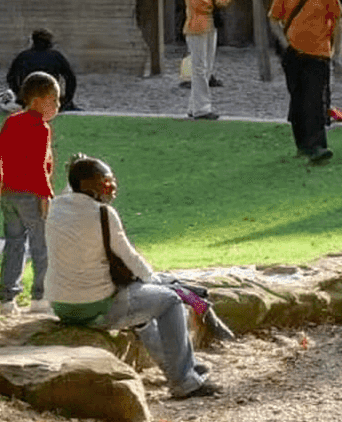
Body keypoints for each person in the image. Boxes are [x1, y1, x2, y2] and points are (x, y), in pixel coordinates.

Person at [45, 154, 216, 399]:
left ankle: (178, 367)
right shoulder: (103, 214)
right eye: (106, 181)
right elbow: (131, 258)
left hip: (62, 306)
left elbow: (72, 191)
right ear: (88, 186)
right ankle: (184, 382)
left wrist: (75, 169)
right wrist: (158, 282)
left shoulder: (54, 207)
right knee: (169, 300)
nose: (113, 187)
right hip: (96, 309)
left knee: (142, 311)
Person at [0, 71, 61, 316]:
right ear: (38, 101)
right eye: (54, 100)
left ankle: (8, 298)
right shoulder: (41, 128)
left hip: (9, 194)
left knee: (14, 245)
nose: (57, 106)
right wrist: (46, 195)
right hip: (32, 195)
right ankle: (40, 296)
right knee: (42, 246)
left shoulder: (12, 121)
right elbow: (39, 165)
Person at [268, 0, 342, 165]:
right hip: (293, 54)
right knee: (298, 99)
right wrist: (284, 43)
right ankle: (302, 144)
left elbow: (338, 19)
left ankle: (318, 147)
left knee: (315, 100)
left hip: (319, 53)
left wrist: (337, 49)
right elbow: (274, 18)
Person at [181, 0, 230, 120]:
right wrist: (215, 0)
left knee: (207, 67)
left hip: (211, 25)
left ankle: (194, 106)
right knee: (199, 68)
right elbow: (198, 3)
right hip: (197, 26)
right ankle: (202, 108)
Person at [5, 28, 79, 112]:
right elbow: (71, 79)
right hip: (50, 96)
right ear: (50, 43)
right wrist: (67, 100)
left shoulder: (23, 56)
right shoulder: (56, 56)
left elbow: (11, 77)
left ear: (33, 41)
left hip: (29, 97)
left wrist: (20, 95)